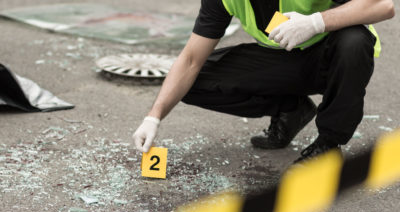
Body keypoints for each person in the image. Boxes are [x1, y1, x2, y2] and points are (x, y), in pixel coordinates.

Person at [133, 0, 395, 163]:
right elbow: (191, 59)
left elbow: (382, 5)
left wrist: (316, 22)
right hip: (283, 58)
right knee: (193, 81)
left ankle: (328, 143)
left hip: (330, 56)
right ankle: (291, 109)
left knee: (354, 41)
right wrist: (153, 117)